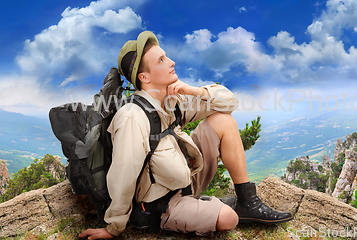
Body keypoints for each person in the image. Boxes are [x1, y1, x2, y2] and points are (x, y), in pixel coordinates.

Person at [79, 31, 292, 239]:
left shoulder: (173, 101)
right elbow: (122, 175)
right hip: (161, 204)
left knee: (223, 120)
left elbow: (230, 103)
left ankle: (248, 202)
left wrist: (195, 91)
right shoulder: (132, 117)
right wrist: (114, 227)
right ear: (144, 76)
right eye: (161, 60)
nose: (171, 62)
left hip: (185, 180)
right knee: (229, 219)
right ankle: (213, 206)